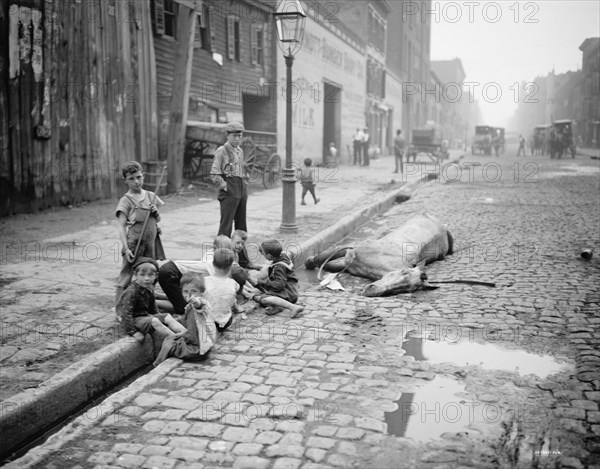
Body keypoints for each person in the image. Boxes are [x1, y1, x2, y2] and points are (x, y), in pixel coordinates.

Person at [157, 235, 248, 315]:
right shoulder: (214, 265)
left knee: (186, 298)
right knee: (185, 308)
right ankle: (154, 302)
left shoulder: (218, 262)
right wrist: (235, 307)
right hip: (170, 273)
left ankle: (158, 296)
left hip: (174, 272)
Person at [115, 161, 165, 303]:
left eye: (138, 177)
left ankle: (146, 303)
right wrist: (126, 248)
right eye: (131, 179)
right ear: (125, 181)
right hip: (134, 243)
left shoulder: (151, 196)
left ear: (143, 176)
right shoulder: (126, 200)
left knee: (150, 272)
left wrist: (156, 212)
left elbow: (158, 220)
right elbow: (121, 226)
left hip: (150, 242)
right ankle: (120, 307)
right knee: (126, 275)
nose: (136, 182)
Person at [153, 273, 217, 366]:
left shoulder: (202, 305)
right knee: (172, 338)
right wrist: (182, 334)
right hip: (199, 344)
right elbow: (192, 330)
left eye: (194, 291)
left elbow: (199, 305)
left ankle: (157, 365)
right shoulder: (189, 307)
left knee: (169, 343)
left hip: (197, 350)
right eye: (186, 291)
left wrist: (196, 301)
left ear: (202, 292)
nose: (189, 295)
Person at [116, 257, 186, 343]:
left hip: (145, 316)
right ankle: (176, 340)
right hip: (135, 319)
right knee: (155, 321)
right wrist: (133, 332)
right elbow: (126, 314)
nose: (146, 278)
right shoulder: (131, 292)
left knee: (167, 316)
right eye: (142, 275)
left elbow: (153, 307)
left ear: (156, 276)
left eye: (150, 275)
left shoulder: (149, 288)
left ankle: (186, 334)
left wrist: (161, 317)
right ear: (135, 275)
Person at [250, 239, 304, 317]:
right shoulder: (283, 257)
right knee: (262, 292)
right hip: (291, 289)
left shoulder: (279, 267)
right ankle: (278, 306)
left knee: (263, 299)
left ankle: (293, 307)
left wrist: (261, 282)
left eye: (263, 253)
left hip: (288, 292)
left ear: (269, 256)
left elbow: (279, 285)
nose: (262, 254)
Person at [204, 248, 240, 332]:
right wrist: (237, 309)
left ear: (213, 264)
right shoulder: (234, 283)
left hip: (209, 323)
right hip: (226, 322)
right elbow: (233, 300)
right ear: (231, 266)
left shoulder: (204, 281)